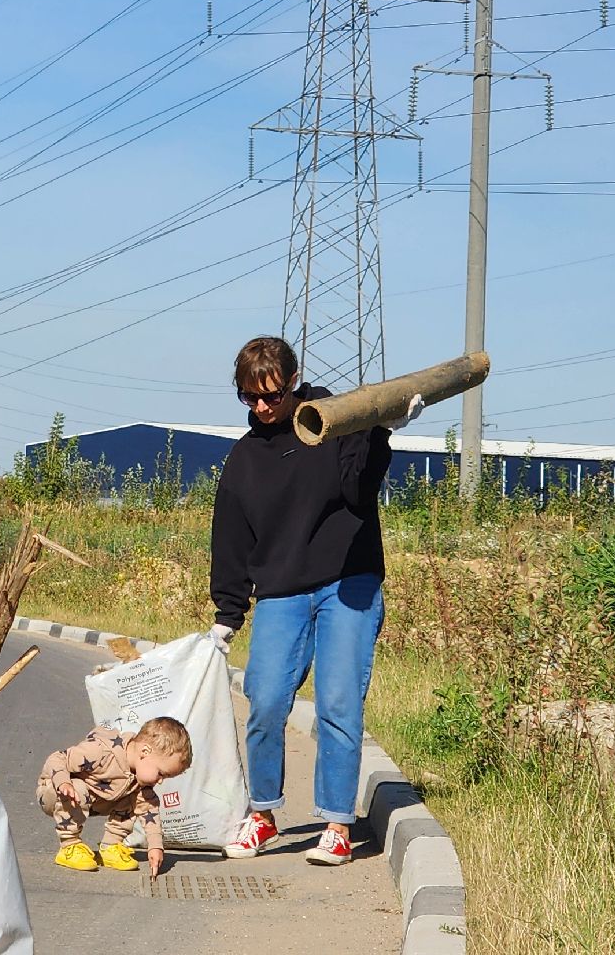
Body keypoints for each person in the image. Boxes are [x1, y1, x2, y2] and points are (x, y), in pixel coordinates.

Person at [208, 337, 421, 866]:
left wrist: (381, 433)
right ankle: (262, 814)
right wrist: (226, 616)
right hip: (282, 591)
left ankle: (337, 823)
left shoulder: (335, 420)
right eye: (249, 398)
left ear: (293, 383)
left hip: (347, 581)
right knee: (265, 700)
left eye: (272, 396)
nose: (261, 407)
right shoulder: (243, 460)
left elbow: (358, 489)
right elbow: (231, 540)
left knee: (338, 703)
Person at [38, 717, 193, 877]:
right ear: (145, 752)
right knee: (78, 787)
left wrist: (155, 847)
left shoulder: (139, 778)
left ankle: (110, 846)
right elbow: (57, 758)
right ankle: (69, 846)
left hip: (94, 800)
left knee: (136, 798)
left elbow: (149, 811)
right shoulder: (101, 752)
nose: (160, 781)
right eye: (161, 774)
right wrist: (63, 783)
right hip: (55, 792)